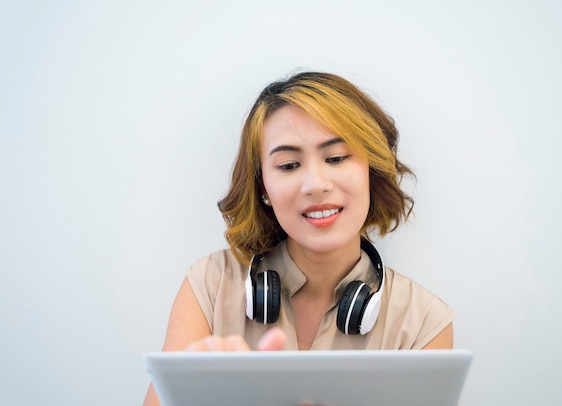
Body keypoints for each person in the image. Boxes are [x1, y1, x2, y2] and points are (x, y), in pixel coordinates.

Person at [142, 71, 454, 406]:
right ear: (264, 187)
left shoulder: (423, 320)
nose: (315, 185)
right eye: (289, 165)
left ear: (372, 168)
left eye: (336, 158)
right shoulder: (210, 285)